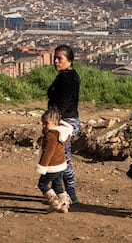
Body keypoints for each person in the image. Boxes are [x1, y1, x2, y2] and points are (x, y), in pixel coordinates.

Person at [47, 45, 81, 204]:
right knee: (58, 158)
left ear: (70, 60)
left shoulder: (69, 78)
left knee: (63, 159)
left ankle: (70, 194)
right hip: (62, 121)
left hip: (65, 123)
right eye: (55, 57)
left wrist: (54, 120)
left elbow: (65, 102)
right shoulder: (66, 76)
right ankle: (60, 192)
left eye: (60, 58)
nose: (55, 61)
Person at [35, 107, 73, 213]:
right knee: (57, 186)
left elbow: (48, 152)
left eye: (46, 123)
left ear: (55, 123)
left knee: (42, 184)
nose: (43, 125)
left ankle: (55, 203)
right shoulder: (62, 134)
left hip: (52, 166)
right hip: (61, 165)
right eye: (42, 123)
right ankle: (64, 205)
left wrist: (42, 166)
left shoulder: (51, 135)